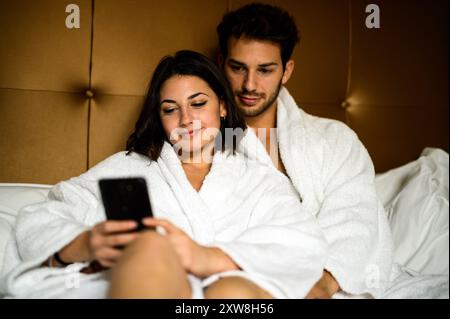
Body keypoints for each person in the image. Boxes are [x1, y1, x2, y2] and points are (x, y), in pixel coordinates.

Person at [0, 50, 327, 299]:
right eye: (170, 109)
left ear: (223, 107)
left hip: (228, 293)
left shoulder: (259, 179)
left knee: (232, 293)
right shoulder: (127, 168)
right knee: (150, 246)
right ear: (160, 118)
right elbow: (44, 216)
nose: (186, 119)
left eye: (198, 103)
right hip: (153, 285)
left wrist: (207, 258)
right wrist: (81, 243)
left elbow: (303, 244)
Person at [216, 3, 393, 298]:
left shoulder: (335, 139)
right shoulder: (204, 141)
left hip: (332, 285)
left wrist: (323, 283)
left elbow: (356, 215)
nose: (249, 85)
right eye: (237, 68)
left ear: (287, 71)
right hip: (253, 286)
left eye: (265, 70)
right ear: (221, 63)